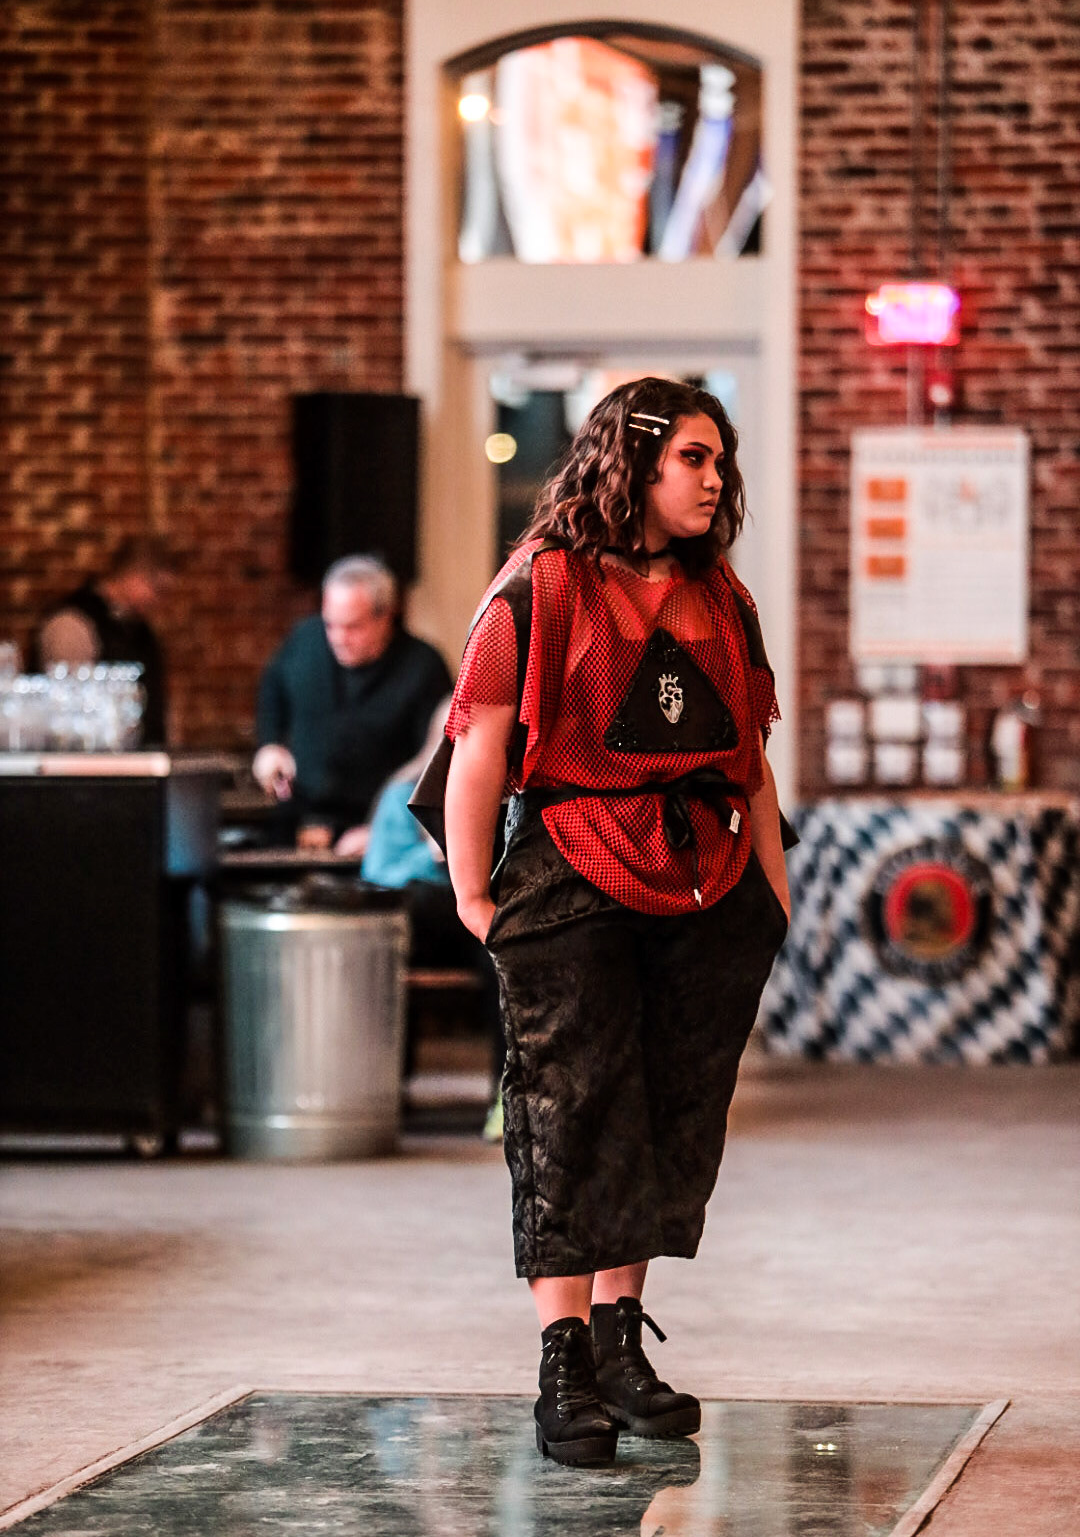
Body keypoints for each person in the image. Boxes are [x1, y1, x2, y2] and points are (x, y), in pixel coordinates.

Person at [437, 377, 792, 1468]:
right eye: (693, 457)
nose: (715, 478)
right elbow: (479, 746)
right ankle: (564, 1362)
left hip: (704, 882)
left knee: (665, 1108)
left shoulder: (721, 596)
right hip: (572, 872)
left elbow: (750, 759)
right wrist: (473, 895)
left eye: (720, 460)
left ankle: (619, 1341)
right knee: (571, 1111)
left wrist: (772, 899)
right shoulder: (540, 586)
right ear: (630, 462)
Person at [361, 699, 505, 1111]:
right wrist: (432, 854)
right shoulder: (401, 794)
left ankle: (504, 1092)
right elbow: (379, 875)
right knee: (404, 917)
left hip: (472, 925)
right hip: (420, 921)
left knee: (502, 952)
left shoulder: (501, 798)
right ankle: (384, 1091)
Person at [253, 555, 452, 853]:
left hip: (372, 831)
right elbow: (272, 688)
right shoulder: (305, 640)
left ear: (385, 616)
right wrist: (269, 745)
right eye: (330, 624)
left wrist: (381, 831)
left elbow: (435, 766)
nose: (338, 638)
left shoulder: (423, 667)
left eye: (352, 627)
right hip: (296, 818)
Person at [36, 540, 172, 745]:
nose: (158, 601)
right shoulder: (73, 622)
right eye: (158, 590)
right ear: (134, 576)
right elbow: (71, 711)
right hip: (90, 759)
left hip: (138, 757)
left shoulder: (140, 630)